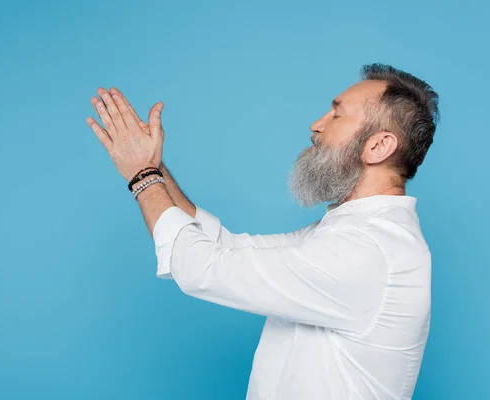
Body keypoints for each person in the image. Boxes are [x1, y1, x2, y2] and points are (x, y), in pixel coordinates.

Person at [85, 62, 439, 400]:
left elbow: (201, 267)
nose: (316, 125)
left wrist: (143, 177)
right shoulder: (352, 233)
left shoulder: (369, 251)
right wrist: (153, 165)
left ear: (378, 146)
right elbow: (224, 247)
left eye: (336, 114)